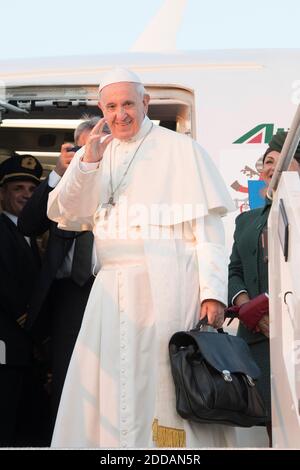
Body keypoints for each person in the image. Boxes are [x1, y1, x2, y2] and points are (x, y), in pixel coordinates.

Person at [47, 67, 235, 448]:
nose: (121, 114)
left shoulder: (181, 150)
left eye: (129, 104)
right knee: (111, 381)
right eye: (112, 106)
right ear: (102, 109)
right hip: (112, 287)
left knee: (164, 380)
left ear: (145, 103)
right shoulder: (95, 152)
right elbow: (66, 213)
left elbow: (209, 233)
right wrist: (88, 165)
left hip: (169, 282)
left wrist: (212, 292)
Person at [18, 117, 110, 427]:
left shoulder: (124, 182)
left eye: (98, 148)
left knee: (112, 376)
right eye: (84, 148)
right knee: (69, 378)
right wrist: (59, 172)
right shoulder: (63, 184)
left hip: (111, 287)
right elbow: (28, 224)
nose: (91, 154)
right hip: (69, 294)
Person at [228, 130, 300, 444]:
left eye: (280, 161)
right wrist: (248, 306)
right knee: (273, 424)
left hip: (293, 336)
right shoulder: (247, 220)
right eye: (267, 162)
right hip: (259, 340)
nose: (271, 168)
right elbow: (235, 270)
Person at [0, 153, 50, 446]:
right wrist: (36, 330)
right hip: (7, 348)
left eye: (32, 190)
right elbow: (6, 285)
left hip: (23, 352)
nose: (26, 195)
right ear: (3, 193)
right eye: (18, 188)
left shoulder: (30, 235)